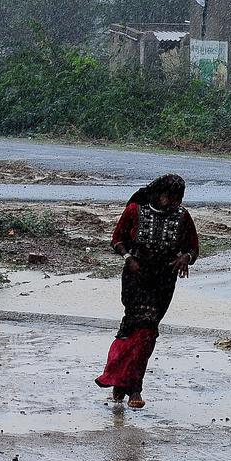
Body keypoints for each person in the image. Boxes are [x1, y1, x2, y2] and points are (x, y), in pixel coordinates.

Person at [95, 174, 199, 408]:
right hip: (136, 277)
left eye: (178, 198)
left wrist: (185, 257)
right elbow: (117, 240)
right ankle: (134, 389)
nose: (174, 203)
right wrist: (128, 257)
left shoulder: (183, 217)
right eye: (171, 197)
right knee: (144, 329)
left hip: (163, 282)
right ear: (159, 193)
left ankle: (120, 382)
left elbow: (193, 248)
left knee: (143, 333)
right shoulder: (135, 210)